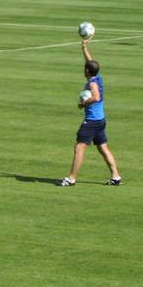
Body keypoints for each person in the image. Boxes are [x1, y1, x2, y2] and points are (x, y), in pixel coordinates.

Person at [59, 32, 122, 187]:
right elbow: (91, 62)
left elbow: (96, 97)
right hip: (100, 120)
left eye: (84, 68)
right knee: (103, 148)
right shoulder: (97, 77)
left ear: (87, 71)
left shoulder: (93, 83)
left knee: (79, 147)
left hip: (92, 121)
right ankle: (116, 176)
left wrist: (83, 104)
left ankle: (71, 178)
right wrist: (84, 47)